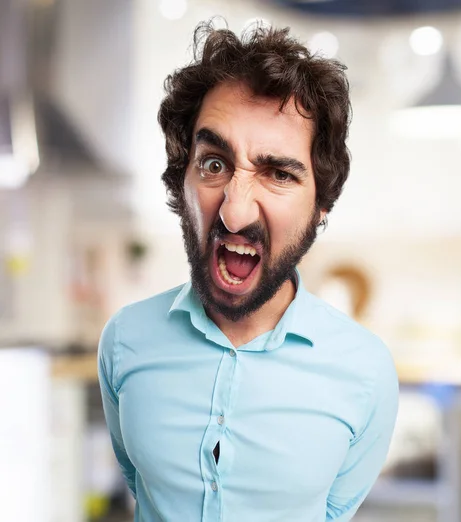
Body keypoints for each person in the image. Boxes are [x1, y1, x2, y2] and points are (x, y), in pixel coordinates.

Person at [98, 20, 399, 522]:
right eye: (214, 164)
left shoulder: (365, 373)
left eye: (279, 173)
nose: (235, 212)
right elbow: (139, 484)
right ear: (181, 181)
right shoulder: (124, 341)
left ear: (321, 203)